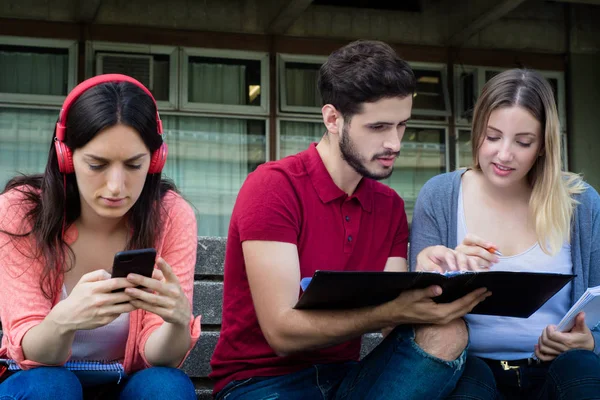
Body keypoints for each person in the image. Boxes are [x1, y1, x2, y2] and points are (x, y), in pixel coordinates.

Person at [209, 40, 490, 400]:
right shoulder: (274, 187)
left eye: (402, 125)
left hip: (346, 381)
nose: (395, 143)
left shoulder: (387, 205)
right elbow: (281, 333)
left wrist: (435, 276)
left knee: (448, 332)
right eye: (378, 127)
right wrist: (386, 310)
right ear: (333, 118)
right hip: (261, 383)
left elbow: (393, 325)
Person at [0, 74, 201, 399]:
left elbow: (160, 359)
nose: (116, 187)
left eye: (134, 165)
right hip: (41, 379)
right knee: (51, 386)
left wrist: (177, 323)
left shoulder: (171, 215)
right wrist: (65, 320)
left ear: (155, 160)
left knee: (167, 387)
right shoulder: (19, 211)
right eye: (97, 165)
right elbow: (31, 353)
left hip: (128, 384)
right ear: (66, 157)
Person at [409, 68, 600, 399]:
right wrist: (448, 270)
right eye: (492, 137)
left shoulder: (581, 202)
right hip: (470, 365)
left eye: (523, 142)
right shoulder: (440, 195)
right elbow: (413, 311)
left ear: (543, 145)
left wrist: (592, 341)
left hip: (557, 367)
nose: (504, 154)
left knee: (583, 372)